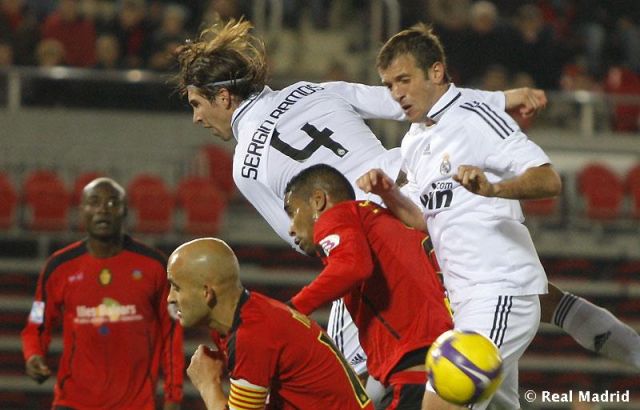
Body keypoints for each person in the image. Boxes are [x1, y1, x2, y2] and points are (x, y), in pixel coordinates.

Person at [172, 18, 550, 388]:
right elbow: (414, 99)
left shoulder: (245, 166)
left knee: (351, 379)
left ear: (224, 97)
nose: (196, 118)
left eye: (196, 104)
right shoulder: (312, 90)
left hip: (372, 236)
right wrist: (502, 99)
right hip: (426, 200)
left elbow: (306, 238)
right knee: (479, 359)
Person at [355, 23, 571, 409]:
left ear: (436, 72)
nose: (396, 93)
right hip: (463, 300)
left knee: (439, 404)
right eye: (389, 85)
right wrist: (388, 192)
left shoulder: (476, 117)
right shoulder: (415, 139)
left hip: (500, 290)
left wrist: (494, 189)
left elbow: (548, 179)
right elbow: (423, 219)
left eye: (404, 80)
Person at [284, 164, 453, 409]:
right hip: (442, 360)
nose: (290, 228)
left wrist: (291, 310)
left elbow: (352, 266)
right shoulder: (380, 221)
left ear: (318, 200)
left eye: (292, 213)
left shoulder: (338, 216)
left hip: (414, 368)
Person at [21, 177, 184, 410]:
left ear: (125, 210)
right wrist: (33, 355)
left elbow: (172, 334)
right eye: (94, 202)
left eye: (112, 203)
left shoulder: (155, 266)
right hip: (72, 402)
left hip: (134, 404)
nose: (103, 210)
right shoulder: (58, 267)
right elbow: (36, 323)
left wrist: (173, 396)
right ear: (81, 210)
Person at [166, 237, 374, 410]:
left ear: (206, 292)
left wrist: (207, 384)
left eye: (176, 287)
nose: (170, 298)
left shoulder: (251, 335)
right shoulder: (249, 317)